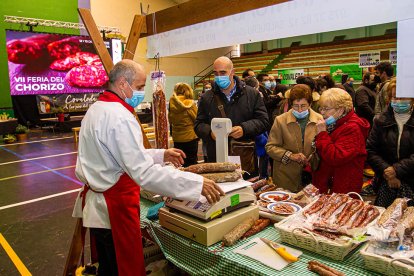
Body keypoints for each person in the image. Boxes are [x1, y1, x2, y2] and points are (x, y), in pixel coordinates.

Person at [72, 60, 224, 276]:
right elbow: (143, 173)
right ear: (123, 83)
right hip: (114, 208)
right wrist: (196, 183)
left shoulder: (98, 108)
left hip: (100, 204)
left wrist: (161, 155)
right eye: (141, 86)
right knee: (120, 268)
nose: (142, 92)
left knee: (108, 265)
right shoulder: (120, 117)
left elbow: (120, 155)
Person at [194, 56, 269, 174]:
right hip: (216, 158)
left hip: (244, 157)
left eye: (223, 72)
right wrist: (209, 132)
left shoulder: (252, 94)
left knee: (245, 190)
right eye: (216, 73)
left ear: (232, 72)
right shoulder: (206, 98)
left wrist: (244, 128)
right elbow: (198, 124)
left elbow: (263, 121)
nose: (219, 77)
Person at [265, 84, 323, 192]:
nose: (300, 110)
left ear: (310, 103)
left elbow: (323, 146)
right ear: (290, 104)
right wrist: (290, 155)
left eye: (303, 105)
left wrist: (313, 157)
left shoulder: (319, 120)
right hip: (285, 176)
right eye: (296, 106)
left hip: (311, 177)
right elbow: (270, 147)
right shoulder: (280, 120)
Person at [366, 78, 414, 208]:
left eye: (403, 98)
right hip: (386, 181)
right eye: (394, 97)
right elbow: (371, 150)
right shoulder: (380, 121)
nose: (398, 101)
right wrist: (388, 173)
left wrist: (396, 170)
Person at [313, 88, 370, 194]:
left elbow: (336, 157)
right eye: (321, 108)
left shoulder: (352, 128)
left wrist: (322, 134)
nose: (322, 112)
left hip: (342, 186)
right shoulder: (335, 123)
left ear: (340, 110)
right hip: (331, 182)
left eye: (326, 109)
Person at [168, 82, 199, 167]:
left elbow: (170, 120)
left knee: (180, 162)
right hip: (190, 137)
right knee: (191, 162)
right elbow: (196, 119)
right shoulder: (190, 103)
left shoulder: (172, 103)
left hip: (177, 138)